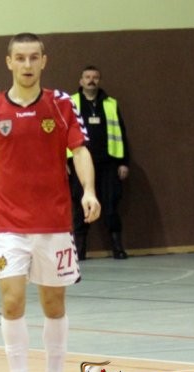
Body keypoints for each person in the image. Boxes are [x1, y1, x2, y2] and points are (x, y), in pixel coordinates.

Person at [0, 33, 100, 372]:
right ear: (9, 62)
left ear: (44, 61)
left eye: (33, 58)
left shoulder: (61, 104)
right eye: (20, 58)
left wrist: (89, 190)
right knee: (11, 301)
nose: (27, 65)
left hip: (54, 224)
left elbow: (79, 150)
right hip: (8, 225)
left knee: (53, 303)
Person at [68, 65, 130, 260]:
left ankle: (117, 247)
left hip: (108, 163)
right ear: (81, 81)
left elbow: (121, 133)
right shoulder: (71, 102)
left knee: (111, 205)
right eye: (87, 77)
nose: (91, 80)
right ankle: (79, 250)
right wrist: (64, 161)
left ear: (99, 81)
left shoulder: (110, 104)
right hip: (79, 164)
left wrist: (123, 162)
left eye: (95, 77)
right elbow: (63, 133)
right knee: (80, 206)